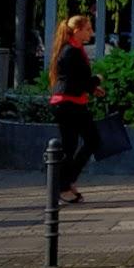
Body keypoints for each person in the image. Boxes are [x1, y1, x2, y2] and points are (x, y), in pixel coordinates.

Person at [48, 14, 105, 204]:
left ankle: (67, 182)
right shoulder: (70, 52)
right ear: (77, 30)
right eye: (88, 29)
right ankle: (64, 186)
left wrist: (92, 88)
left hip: (73, 101)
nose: (91, 32)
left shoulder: (75, 49)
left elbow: (76, 78)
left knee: (88, 141)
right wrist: (96, 80)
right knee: (72, 144)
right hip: (67, 103)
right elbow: (76, 79)